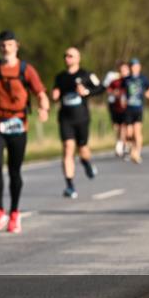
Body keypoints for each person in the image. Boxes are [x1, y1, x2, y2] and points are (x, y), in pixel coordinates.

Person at [0, 30, 50, 234]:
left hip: (18, 123)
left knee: (15, 170)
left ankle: (14, 212)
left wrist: (43, 108)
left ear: (17, 46)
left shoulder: (26, 70)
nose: (6, 48)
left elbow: (41, 93)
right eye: (3, 45)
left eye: (10, 45)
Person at [51, 47, 104, 198]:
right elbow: (55, 92)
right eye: (65, 56)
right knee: (68, 148)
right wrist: (54, 94)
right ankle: (70, 186)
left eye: (70, 56)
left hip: (82, 118)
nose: (67, 58)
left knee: (83, 150)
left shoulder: (86, 75)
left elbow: (100, 88)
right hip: (65, 118)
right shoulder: (60, 77)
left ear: (78, 58)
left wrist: (87, 92)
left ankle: (87, 164)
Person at [122, 58, 149, 164]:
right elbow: (119, 89)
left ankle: (137, 152)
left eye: (136, 66)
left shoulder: (143, 78)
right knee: (128, 132)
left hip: (138, 108)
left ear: (139, 67)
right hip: (128, 109)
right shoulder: (126, 79)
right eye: (132, 66)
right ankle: (132, 149)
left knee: (137, 132)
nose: (134, 68)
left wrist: (148, 94)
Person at [105, 61, 131, 158]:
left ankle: (125, 145)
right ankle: (122, 144)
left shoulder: (131, 80)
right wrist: (113, 93)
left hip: (129, 108)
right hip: (117, 107)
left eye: (125, 70)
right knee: (119, 126)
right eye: (122, 70)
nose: (123, 72)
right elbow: (108, 89)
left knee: (126, 127)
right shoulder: (116, 81)